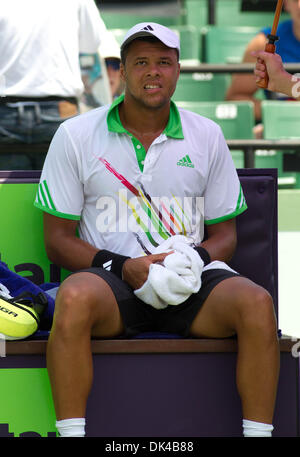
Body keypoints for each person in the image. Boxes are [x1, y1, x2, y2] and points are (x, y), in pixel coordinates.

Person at [34, 22, 279, 438]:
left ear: (178, 70)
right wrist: (124, 266)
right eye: (141, 62)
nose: (153, 72)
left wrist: (192, 258)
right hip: (112, 281)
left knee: (257, 303)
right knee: (73, 298)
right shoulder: (74, 135)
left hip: (189, 277)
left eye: (164, 62)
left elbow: (225, 236)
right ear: (123, 72)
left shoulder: (207, 135)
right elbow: (57, 241)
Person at [0, 0, 106, 169]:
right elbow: (92, 43)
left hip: (6, 114)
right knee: (62, 193)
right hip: (59, 111)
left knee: (7, 195)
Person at [226, 0, 300, 123]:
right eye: (294, 0)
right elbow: (236, 98)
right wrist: (274, 119)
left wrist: (287, 84)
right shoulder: (263, 43)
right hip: (280, 137)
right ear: (286, 3)